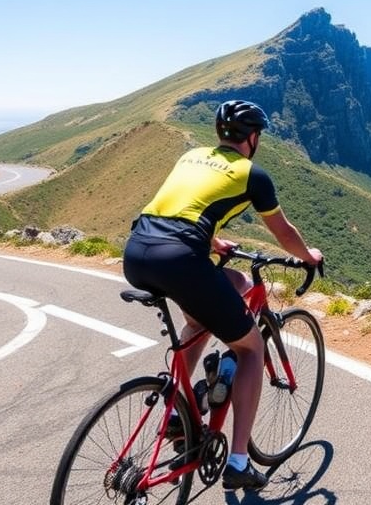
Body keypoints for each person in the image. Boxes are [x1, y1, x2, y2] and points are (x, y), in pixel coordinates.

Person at [123, 99, 323, 490]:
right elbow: (282, 232)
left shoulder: (191, 157)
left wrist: (212, 242)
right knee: (250, 349)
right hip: (181, 259)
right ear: (253, 138)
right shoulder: (253, 174)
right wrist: (309, 256)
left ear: (219, 133)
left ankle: (182, 409)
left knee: (213, 305)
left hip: (138, 251)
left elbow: (180, 208)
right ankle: (238, 461)